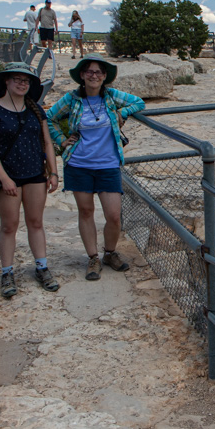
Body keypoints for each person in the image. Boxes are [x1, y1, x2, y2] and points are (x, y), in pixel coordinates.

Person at [46, 55, 145, 281]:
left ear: (104, 77)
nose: (94, 75)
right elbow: (49, 117)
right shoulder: (72, 99)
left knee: (113, 216)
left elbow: (139, 102)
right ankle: (93, 258)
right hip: (79, 164)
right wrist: (61, 140)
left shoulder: (110, 97)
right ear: (81, 75)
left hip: (108, 164)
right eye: (89, 72)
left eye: (99, 72)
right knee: (86, 211)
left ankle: (109, 253)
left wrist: (122, 112)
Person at [0, 62, 61, 298]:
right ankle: (7, 273)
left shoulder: (35, 110)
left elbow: (47, 142)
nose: (22, 83)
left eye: (26, 80)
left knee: (36, 222)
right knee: (9, 225)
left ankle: (42, 267)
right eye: (17, 79)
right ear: (6, 81)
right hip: (9, 176)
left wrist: (53, 172)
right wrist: (4, 179)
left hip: (35, 173)